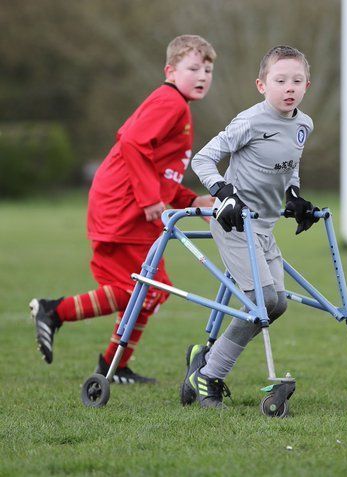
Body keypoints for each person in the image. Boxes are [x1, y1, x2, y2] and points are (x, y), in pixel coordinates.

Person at [29, 34, 217, 384]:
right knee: (142, 289)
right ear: (170, 71)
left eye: (207, 69)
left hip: (133, 206)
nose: (202, 75)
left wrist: (191, 199)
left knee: (152, 291)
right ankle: (54, 311)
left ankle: (113, 366)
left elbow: (160, 171)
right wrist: (148, 199)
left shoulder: (179, 107)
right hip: (123, 207)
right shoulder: (170, 102)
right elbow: (131, 143)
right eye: (193, 67)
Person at [182, 45, 318, 408]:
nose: (289, 87)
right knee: (261, 301)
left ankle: (204, 360)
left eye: (297, 80)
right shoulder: (250, 121)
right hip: (235, 224)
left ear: (307, 85)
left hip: (266, 227)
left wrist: (294, 196)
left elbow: (291, 166)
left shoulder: (303, 124)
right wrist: (223, 193)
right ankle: (209, 377)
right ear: (261, 84)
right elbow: (203, 159)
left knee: (277, 305)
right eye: (280, 80)